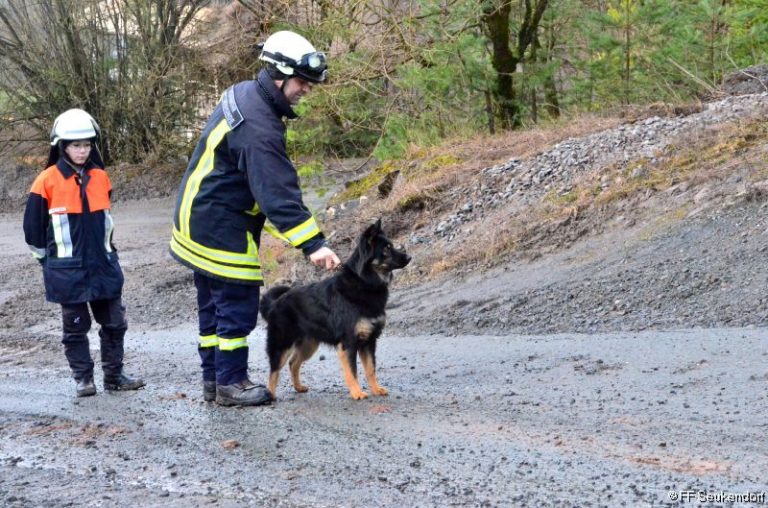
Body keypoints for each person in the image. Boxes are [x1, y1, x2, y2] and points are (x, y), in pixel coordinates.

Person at [170, 31, 341, 407]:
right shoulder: (259, 126)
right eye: (302, 82)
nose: (306, 90)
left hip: (197, 216)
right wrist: (313, 244)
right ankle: (231, 383)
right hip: (219, 223)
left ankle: (213, 381)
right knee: (235, 304)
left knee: (211, 308)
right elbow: (276, 191)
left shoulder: (244, 92)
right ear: (279, 73)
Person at [23, 108, 145, 397]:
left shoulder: (101, 177)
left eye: (87, 144)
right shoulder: (46, 181)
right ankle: (83, 380)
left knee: (115, 323)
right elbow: (33, 230)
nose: (82, 150)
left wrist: (109, 254)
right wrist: (48, 263)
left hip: (103, 266)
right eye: (75, 145)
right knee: (75, 329)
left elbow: (106, 223)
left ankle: (114, 376)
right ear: (62, 146)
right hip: (67, 271)